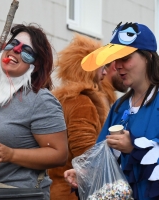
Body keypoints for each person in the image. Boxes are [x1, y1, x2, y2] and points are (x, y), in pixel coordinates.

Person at [64, 22, 159, 200]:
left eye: (125, 58)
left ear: (148, 57)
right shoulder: (120, 106)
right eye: (115, 60)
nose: (117, 66)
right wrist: (85, 174)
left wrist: (135, 147)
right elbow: (103, 155)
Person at [0, 23, 68, 200]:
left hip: (17, 195)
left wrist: (11, 154)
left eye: (26, 50)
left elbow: (59, 154)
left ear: (37, 64)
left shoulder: (41, 100)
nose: (15, 50)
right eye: (13, 44)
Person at [47, 33, 109, 200]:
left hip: (54, 188)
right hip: (72, 192)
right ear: (87, 69)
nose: (105, 73)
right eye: (101, 67)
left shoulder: (61, 100)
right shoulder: (81, 102)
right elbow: (87, 155)